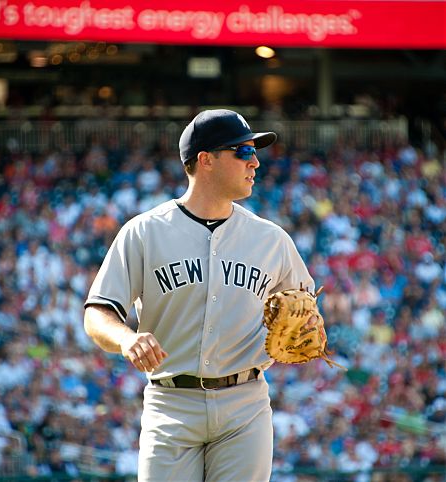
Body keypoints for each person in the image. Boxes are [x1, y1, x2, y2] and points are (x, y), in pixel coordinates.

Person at [84, 109, 316, 481]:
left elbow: (306, 314)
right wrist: (127, 338)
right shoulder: (144, 232)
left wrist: (305, 326)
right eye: (242, 151)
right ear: (205, 160)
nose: (254, 161)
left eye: (254, 151)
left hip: (245, 404)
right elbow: (97, 312)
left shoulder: (271, 240)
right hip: (171, 403)